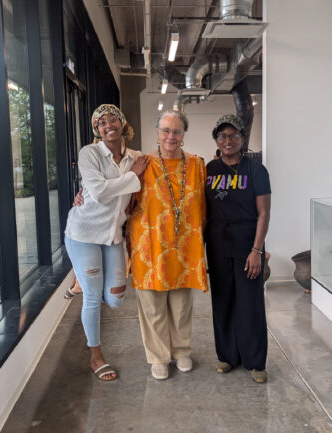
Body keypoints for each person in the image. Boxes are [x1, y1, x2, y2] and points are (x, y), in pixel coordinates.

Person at [64, 104, 150, 381]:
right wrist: (132, 176)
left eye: (113, 119)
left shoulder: (136, 157)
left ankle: (81, 280)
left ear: (123, 124)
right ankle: (96, 356)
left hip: (113, 236)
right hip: (83, 234)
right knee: (93, 297)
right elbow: (100, 193)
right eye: (101, 123)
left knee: (114, 298)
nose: (107, 125)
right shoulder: (89, 153)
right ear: (97, 131)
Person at [126, 110, 208, 380]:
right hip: (150, 247)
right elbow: (123, 200)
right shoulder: (143, 163)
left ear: (184, 135)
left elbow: (205, 207)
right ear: (157, 133)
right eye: (165, 130)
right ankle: (158, 356)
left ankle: (182, 351)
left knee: (182, 305)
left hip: (186, 248)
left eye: (176, 131)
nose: (170, 136)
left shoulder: (197, 165)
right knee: (152, 305)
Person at [204, 114, 271, 383]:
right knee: (222, 300)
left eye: (233, 135)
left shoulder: (255, 170)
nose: (228, 140)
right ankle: (227, 356)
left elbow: (264, 213)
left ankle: (255, 361)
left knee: (249, 301)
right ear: (217, 141)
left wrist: (257, 251)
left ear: (243, 140)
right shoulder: (208, 169)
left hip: (246, 240)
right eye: (222, 136)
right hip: (217, 240)